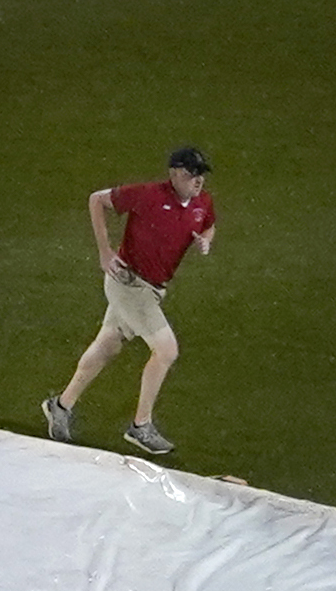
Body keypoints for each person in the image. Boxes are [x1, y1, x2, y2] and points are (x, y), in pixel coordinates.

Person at [43, 146, 218, 458]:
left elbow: (209, 223)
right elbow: (97, 199)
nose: (198, 181)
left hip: (153, 289)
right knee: (166, 350)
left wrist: (206, 240)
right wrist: (104, 251)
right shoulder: (148, 195)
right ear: (175, 173)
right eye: (192, 174)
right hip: (128, 283)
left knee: (108, 345)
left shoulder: (202, 202)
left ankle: (60, 406)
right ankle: (141, 426)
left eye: (201, 174)